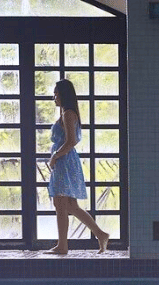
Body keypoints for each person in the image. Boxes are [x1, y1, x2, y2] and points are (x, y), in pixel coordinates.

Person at [46, 79, 109, 254]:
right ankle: (99, 234)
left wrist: (55, 156)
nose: (54, 97)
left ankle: (63, 245)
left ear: (63, 94)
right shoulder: (68, 113)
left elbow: (71, 141)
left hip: (64, 161)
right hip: (66, 161)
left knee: (61, 203)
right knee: (70, 205)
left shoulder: (68, 114)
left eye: (56, 93)